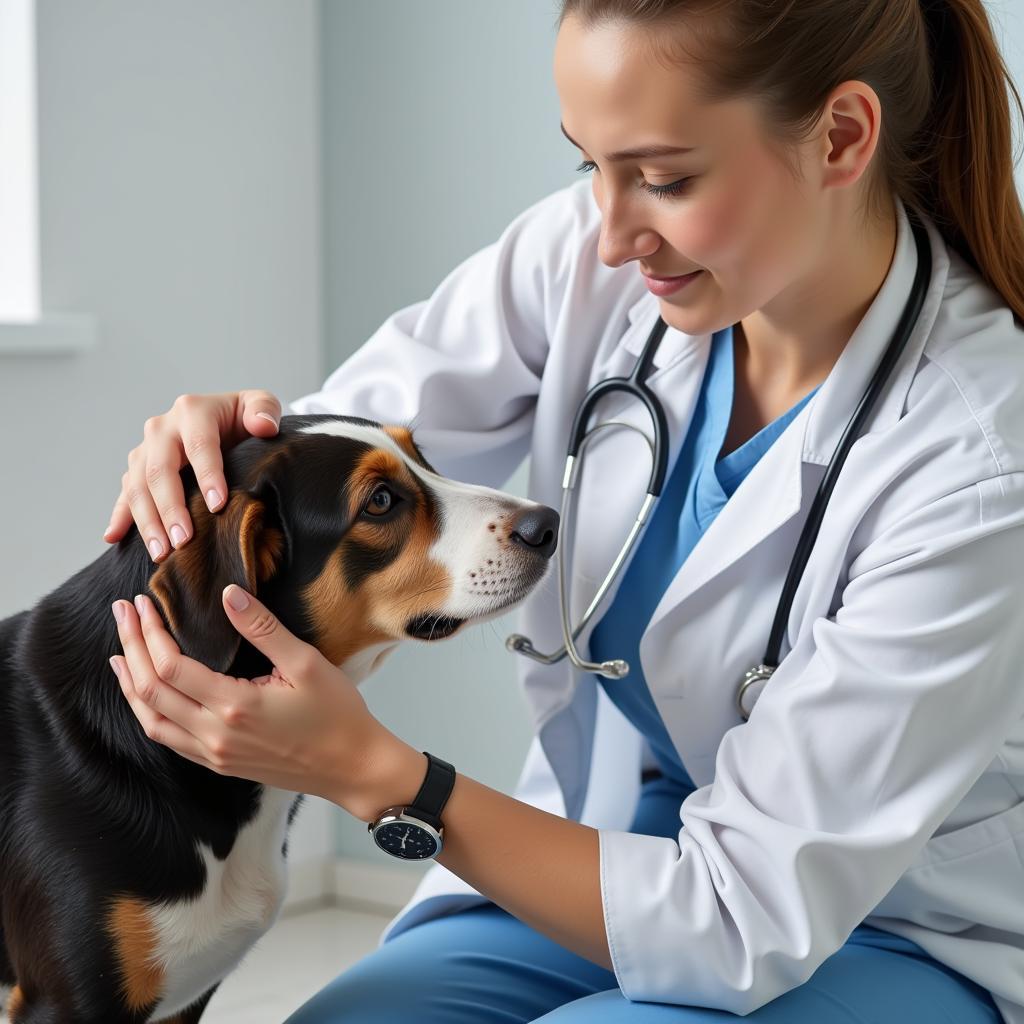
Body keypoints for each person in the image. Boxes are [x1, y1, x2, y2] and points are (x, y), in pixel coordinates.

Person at [103, 1, 1024, 1021]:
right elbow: (352, 444)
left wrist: (383, 777)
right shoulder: (589, 259)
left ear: (842, 137)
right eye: (588, 164)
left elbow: (739, 915)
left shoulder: (975, 459)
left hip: (889, 920)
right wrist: (231, 439)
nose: (613, 232)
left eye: (665, 179)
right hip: (612, 837)